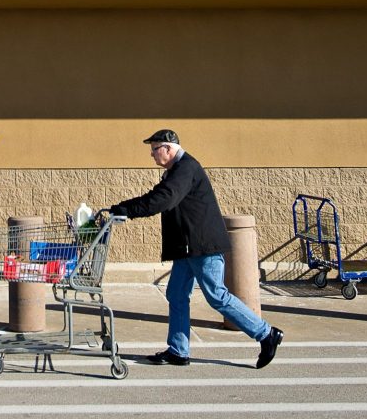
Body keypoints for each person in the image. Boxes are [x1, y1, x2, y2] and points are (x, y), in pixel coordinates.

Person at [108, 128, 283, 368]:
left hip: (202, 247)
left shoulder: (186, 168)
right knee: (177, 295)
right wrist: (122, 207)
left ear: (168, 148)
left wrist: (127, 211)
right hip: (187, 248)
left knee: (216, 296)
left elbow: (163, 199)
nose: (152, 154)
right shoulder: (176, 171)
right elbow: (158, 195)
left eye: (154, 149)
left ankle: (266, 334)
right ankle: (179, 351)